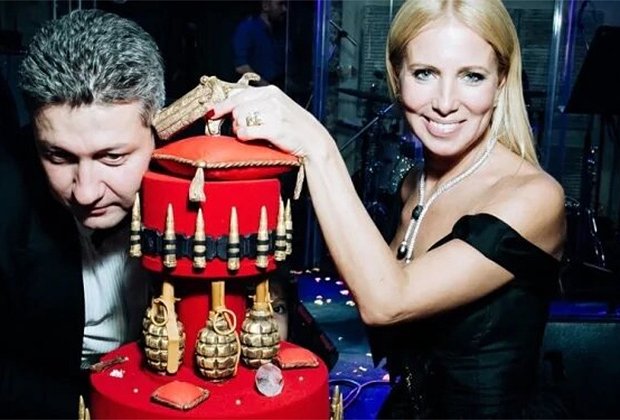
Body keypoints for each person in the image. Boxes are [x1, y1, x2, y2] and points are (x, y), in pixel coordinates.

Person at [211, 0, 568, 417]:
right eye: (425, 73)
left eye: (472, 76)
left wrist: (317, 145)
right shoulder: (415, 185)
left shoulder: (535, 197)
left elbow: (387, 301)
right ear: (397, 77)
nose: (446, 102)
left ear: (501, 82)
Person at [0, 9, 165, 417]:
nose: (86, 192)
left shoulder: (203, 178)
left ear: (159, 131)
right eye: (58, 156)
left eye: (113, 157)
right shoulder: (8, 194)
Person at [232, 0, 288, 88]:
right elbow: (241, 67)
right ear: (265, 6)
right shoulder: (247, 28)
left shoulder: (281, 31)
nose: (285, 9)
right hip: (255, 91)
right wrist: (266, 87)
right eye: (280, 4)